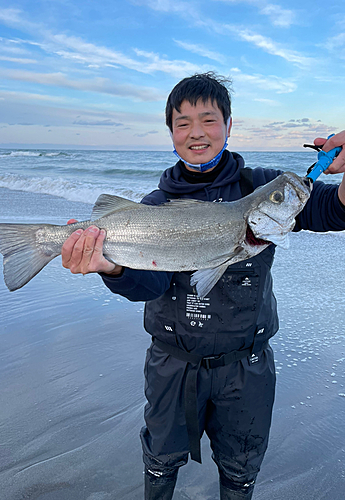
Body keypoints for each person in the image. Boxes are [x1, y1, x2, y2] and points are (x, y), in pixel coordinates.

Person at [61, 73, 345, 500]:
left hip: (246, 366)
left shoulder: (261, 187)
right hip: (172, 364)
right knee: (160, 462)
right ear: (171, 133)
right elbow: (147, 284)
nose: (197, 133)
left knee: (240, 469)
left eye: (209, 120)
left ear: (229, 125)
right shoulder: (153, 208)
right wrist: (110, 268)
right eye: (183, 123)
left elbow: (333, 210)